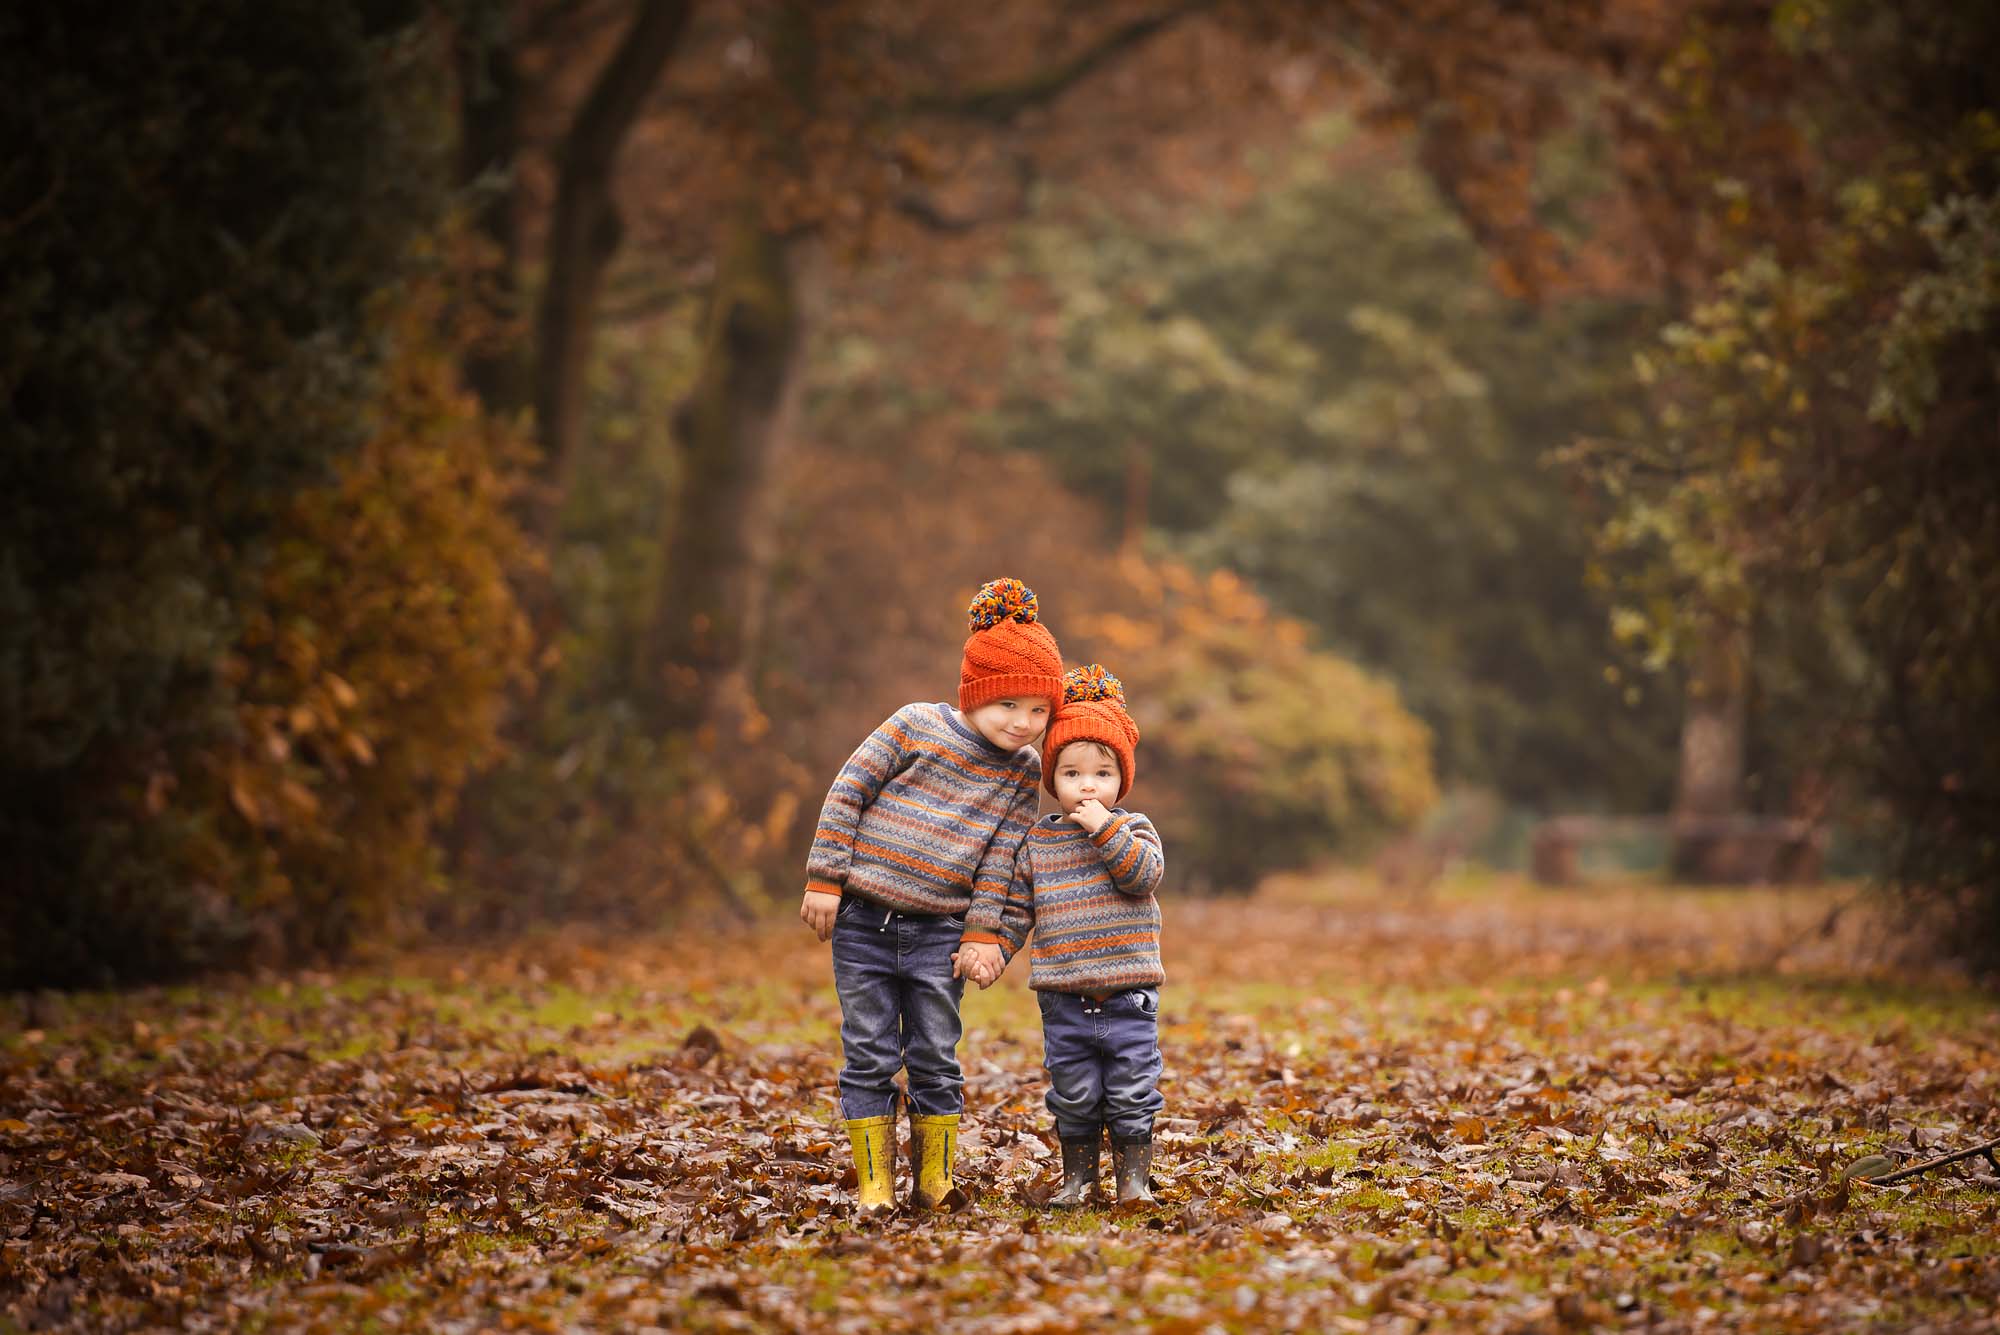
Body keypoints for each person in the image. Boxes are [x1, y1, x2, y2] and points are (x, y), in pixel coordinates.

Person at [799, 578, 1062, 1213]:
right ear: (976, 691)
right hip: (864, 919)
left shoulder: (1022, 769)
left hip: (940, 934)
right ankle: (874, 1185)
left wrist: (981, 933)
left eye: (1039, 711)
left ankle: (934, 1181)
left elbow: (1003, 858)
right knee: (867, 1051)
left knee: (935, 1054)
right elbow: (848, 791)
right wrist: (824, 879)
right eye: (1009, 705)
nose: (1023, 723)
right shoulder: (914, 725)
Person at [959, 664, 1165, 1206]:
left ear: (1122, 779)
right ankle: (1078, 1180)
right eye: (1072, 774)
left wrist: (1104, 827)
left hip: (1128, 993)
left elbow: (1142, 875)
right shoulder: (1039, 844)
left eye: (1102, 773)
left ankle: (1133, 1180)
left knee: (1130, 1091)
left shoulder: (1133, 829)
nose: (1087, 784)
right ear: (1052, 781)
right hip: (1064, 996)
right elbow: (1017, 911)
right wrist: (995, 952)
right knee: (1073, 1094)